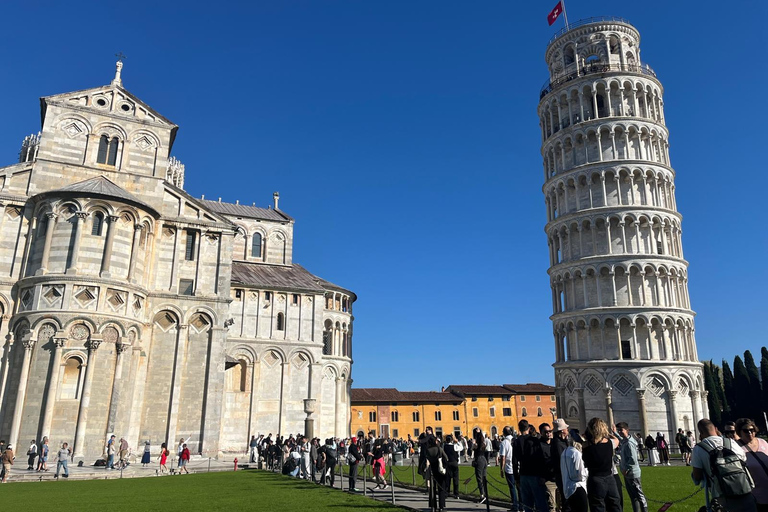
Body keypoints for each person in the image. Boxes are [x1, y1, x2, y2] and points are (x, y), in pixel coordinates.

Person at [692, 418, 755, 512]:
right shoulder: (730, 442)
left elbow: (697, 476)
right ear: (716, 429)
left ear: (700, 433)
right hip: (744, 490)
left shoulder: (699, 449)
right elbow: (743, 459)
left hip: (721, 497)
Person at [582, 418, 622, 512]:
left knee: (597, 506)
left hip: (595, 479)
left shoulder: (586, 446)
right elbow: (616, 440)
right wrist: (608, 434)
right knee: (615, 505)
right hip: (610, 478)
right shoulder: (609, 443)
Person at [735, 418, 768, 512]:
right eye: (746, 430)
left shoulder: (763, 442)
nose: (749, 432)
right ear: (739, 432)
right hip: (754, 494)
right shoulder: (737, 448)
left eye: (751, 430)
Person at [616, 422, 648, 512]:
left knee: (639, 496)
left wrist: (626, 469)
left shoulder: (629, 443)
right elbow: (621, 439)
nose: (620, 432)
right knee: (633, 496)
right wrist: (614, 433)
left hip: (632, 473)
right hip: (628, 473)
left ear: (627, 430)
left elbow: (633, 459)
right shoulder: (626, 440)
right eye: (619, 431)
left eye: (621, 430)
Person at [561, 430, 588, 512]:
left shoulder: (564, 452)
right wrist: (587, 471)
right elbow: (580, 474)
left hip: (567, 487)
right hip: (578, 487)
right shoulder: (576, 453)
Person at [500, 426, 522, 512]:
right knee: (519, 488)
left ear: (504, 433)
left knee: (512, 487)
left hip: (509, 468)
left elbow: (503, 457)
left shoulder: (504, 442)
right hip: (518, 467)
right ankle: (522, 506)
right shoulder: (516, 440)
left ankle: (515, 506)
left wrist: (501, 469)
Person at [425, 435, 449, 511]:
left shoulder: (428, 450)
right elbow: (446, 458)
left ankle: (433, 506)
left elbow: (427, 460)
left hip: (432, 470)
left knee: (433, 489)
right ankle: (441, 506)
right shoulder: (439, 449)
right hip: (440, 470)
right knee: (441, 488)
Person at [538, 423, 558, 512]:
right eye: (546, 432)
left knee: (561, 505)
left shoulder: (555, 443)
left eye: (550, 431)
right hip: (548, 479)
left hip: (558, 477)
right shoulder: (539, 445)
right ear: (541, 433)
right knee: (551, 505)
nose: (548, 433)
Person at [552, 419, 571, 512]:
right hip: (563, 475)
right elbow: (562, 460)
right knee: (566, 500)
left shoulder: (559, 442)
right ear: (562, 430)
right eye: (566, 428)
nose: (567, 429)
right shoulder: (558, 444)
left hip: (563, 475)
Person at [473, 427, 490, 505]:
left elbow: (473, 448)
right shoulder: (483, 442)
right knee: (484, 477)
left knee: (479, 478)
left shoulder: (476, 443)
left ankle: (482, 495)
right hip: (484, 459)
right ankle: (485, 493)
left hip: (479, 459)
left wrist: (474, 444)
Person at [444, 434, 462, 499]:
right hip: (454, 462)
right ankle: (456, 494)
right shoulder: (454, 446)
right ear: (451, 440)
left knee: (447, 479)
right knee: (455, 479)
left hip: (448, 463)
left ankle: (446, 492)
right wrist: (457, 441)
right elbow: (461, 448)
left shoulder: (444, 446)